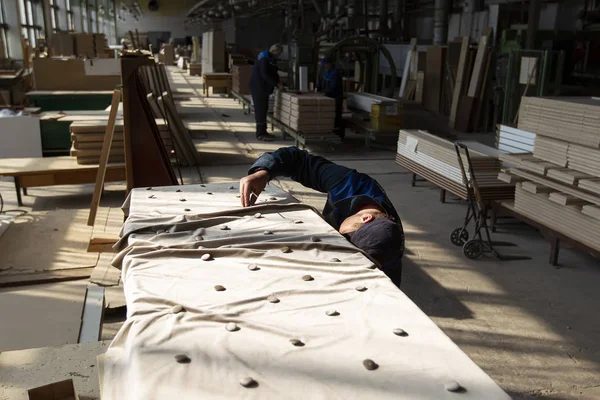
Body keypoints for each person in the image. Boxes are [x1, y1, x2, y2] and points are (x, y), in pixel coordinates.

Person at [239, 146, 405, 284]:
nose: (339, 236)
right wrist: (263, 172)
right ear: (366, 217)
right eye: (344, 236)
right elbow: (297, 160)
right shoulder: (349, 184)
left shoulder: (388, 257)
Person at [250, 44, 284, 142]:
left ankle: (263, 132)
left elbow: (273, 72)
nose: (279, 55)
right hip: (258, 87)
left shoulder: (270, 58)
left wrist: (279, 82)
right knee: (260, 110)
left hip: (263, 87)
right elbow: (265, 74)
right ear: (275, 51)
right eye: (279, 52)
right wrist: (276, 83)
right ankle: (260, 134)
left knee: (263, 109)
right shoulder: (264, 59)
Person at [317, 56, 345, 139]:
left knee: (336, 116)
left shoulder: (335, 74)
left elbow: (334, 88)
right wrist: (318, 89)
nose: (324, 67)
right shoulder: (325, 72)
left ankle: (339, 135)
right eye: (323, 65)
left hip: (335, 98)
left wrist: (324, 93)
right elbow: (321, 82)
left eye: (325, 65)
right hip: (327, 97)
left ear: (330, 64)